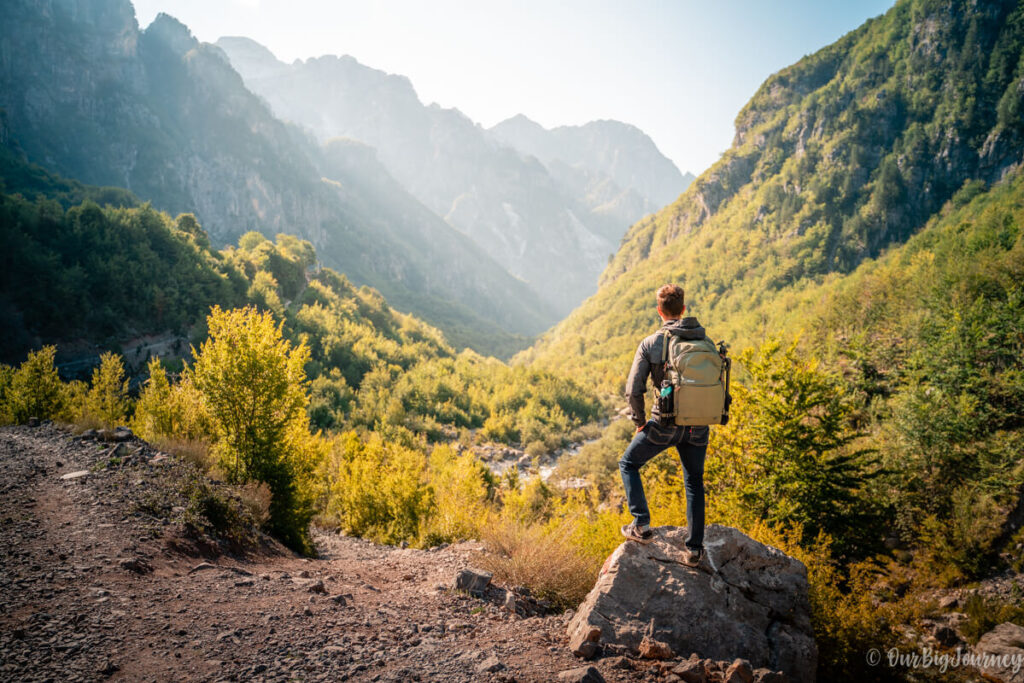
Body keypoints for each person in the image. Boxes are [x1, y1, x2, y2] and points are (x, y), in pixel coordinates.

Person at [619, 284, 712, 566]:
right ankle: (695, 549)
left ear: (660, 311)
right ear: (683, 309)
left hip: (665, 422)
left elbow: (634, 391)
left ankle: (642, 525)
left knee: (628, 464)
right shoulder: (703, 341)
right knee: (694, 481)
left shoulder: (651, 343)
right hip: (698, 423)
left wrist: (639, 422)